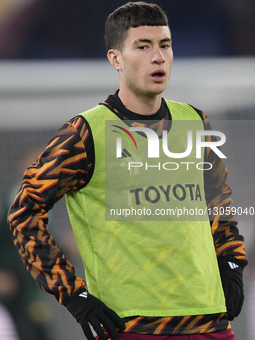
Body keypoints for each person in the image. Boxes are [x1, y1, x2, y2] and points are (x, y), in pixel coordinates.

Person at [7, 2, 247, 340]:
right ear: (115, 58)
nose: (158, 57)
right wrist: (73, 294)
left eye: (165, 45)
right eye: (143, 46)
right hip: (132, 326)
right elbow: (24, 211)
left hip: (210, 323)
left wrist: (232, 264)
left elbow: (217, 203)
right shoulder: (85, 132)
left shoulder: (196, 121)